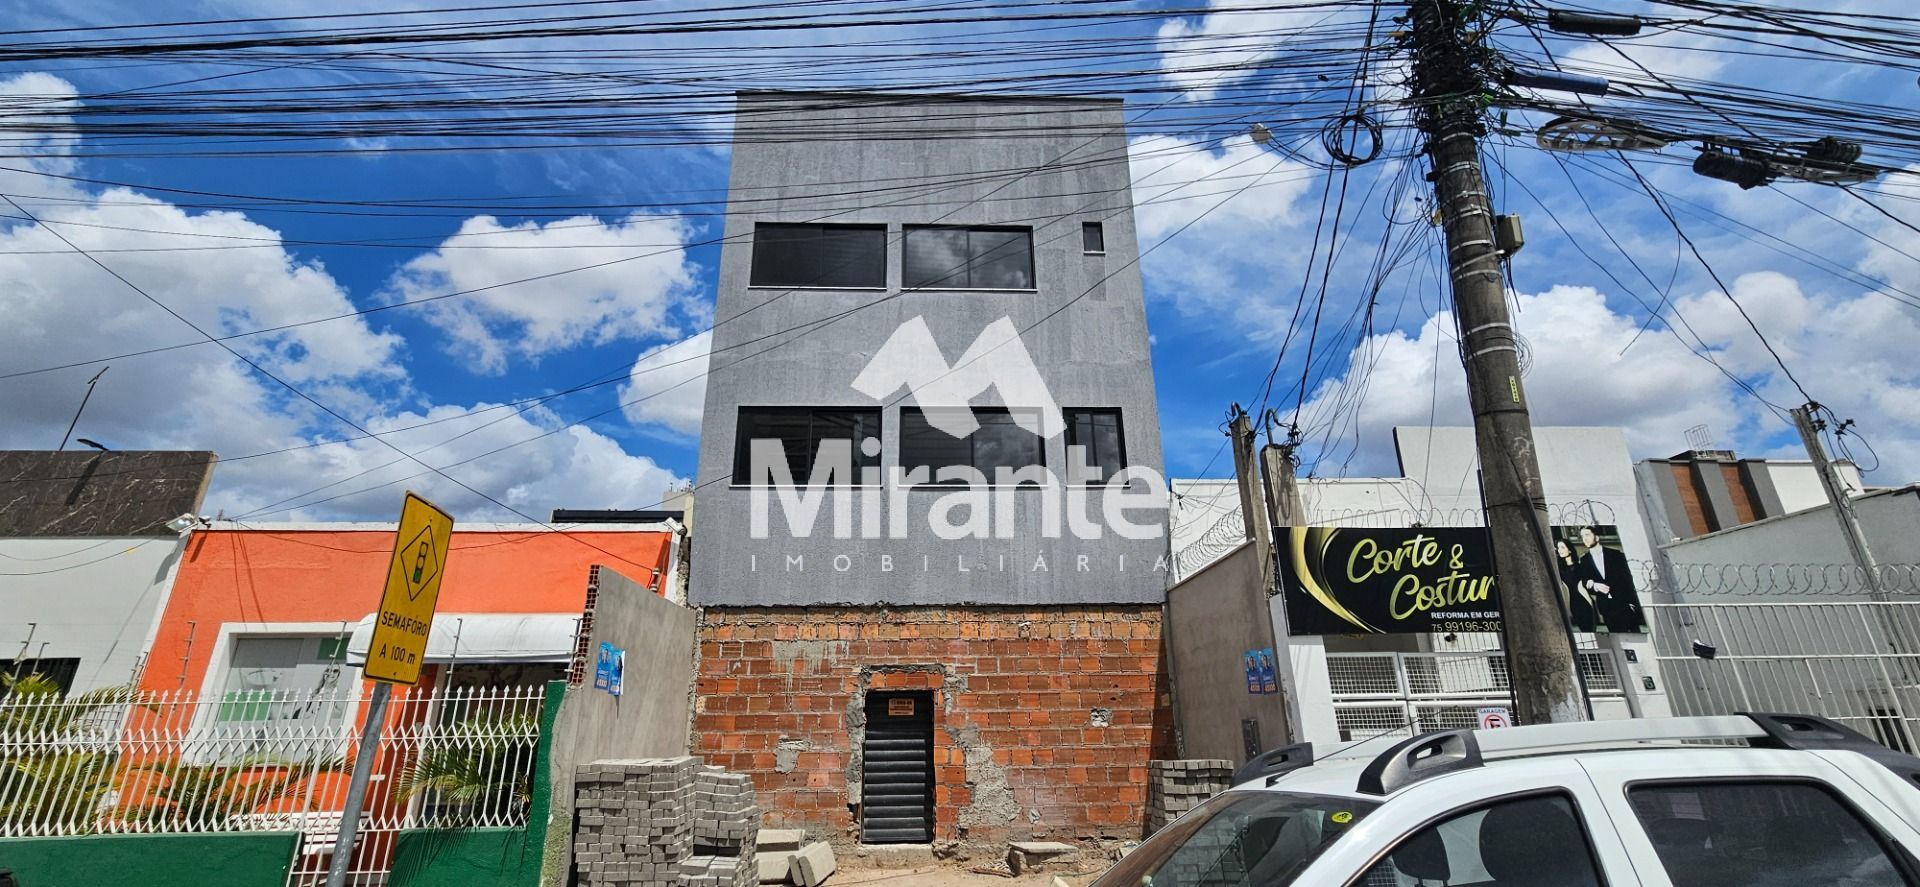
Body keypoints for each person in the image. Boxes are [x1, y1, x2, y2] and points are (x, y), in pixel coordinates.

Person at [1575, 526, 1643, 633]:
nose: (1585, 539)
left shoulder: (1616, 555)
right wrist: (1595, 586)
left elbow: (1628, 580)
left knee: (1635, 635)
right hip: (1606, 607)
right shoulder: (1584, 560)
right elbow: (1584, 582)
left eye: (1587, 535)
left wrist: (1632, 603)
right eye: (1582, 536)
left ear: (1597, 537)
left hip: (1624, 605)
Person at [1556, 539, 1598, 632]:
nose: (1560, 550)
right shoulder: (1559, 570)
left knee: (1592, 632)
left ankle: (1602, 646)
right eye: (1558, 548)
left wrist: (1590, 581)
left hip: (1585, 602)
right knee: (1583, 632)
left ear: (1570, 550)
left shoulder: (1581, 566)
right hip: (1572, 605)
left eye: (1562, 547)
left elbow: (1589, 580)